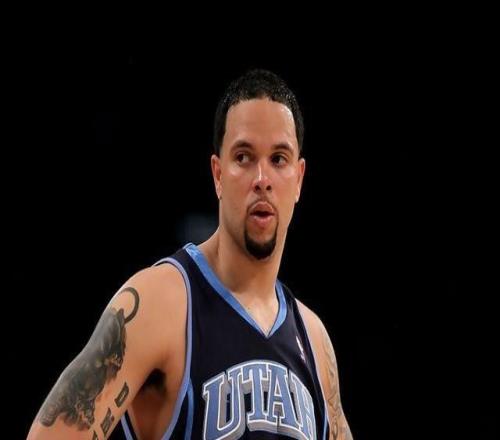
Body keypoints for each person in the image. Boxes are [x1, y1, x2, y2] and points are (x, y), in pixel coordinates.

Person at [27, 69, 353, 440]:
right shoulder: (159, 303)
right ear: (218, 174)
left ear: (299, 179)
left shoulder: (314, 341)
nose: (262, 179)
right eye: (244, 157)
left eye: (279, 159)